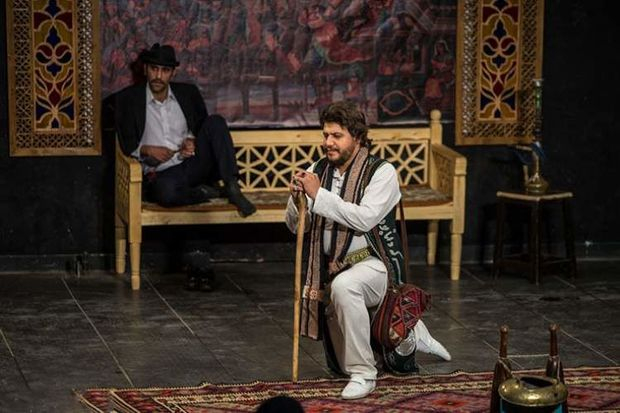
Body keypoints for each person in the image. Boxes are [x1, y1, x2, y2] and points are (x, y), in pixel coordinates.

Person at [285, 101, 451, 400]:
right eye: (326, 135)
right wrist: (297, 202)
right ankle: (412, 333)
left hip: (374, 265)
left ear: (358, 137)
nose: (328, 142)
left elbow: (364, 218)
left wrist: (318, 195)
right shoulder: (317, 170)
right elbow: (297, 227)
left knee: (345, 286)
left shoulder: (381, 172)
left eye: (337, 136)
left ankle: (364, 373)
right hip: (330, 268)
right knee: (338, 363)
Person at [114, 43, 257, 290]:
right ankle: (208, 193)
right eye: (154, 69)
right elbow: (125, 143)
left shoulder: (187, 93)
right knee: (166, 192)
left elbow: (203, 127)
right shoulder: (129, 99)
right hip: (160, 173)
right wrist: (146, 150)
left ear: (173, 73)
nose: (158, 76)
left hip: (190, 164)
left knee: (215, 122)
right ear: (146, 69)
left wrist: (192, 140)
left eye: (165, 71)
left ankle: (232, 185)